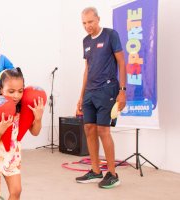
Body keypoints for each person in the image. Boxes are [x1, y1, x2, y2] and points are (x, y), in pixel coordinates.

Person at [75, 7, 126, 189]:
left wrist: (122, 90)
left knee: (103, 131)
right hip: (90, 91)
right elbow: (87, 69)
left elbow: (121, 61)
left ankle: (112, 174)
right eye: (84, 23)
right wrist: (81, 96)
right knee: (89, 128)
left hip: (107, 89)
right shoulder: (85, 41)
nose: (88, 26)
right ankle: (96, 171)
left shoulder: (111, 35)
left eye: (90, 21)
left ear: (98, 19)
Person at [0, 68, 45, 200]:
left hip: (12, 156)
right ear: (1, 90)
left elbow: (35, 132)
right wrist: (0, 131)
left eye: (20, 91)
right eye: (11, 91)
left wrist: (38, 118)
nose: (16, 95)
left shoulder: (25, 109)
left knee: (16, 192)